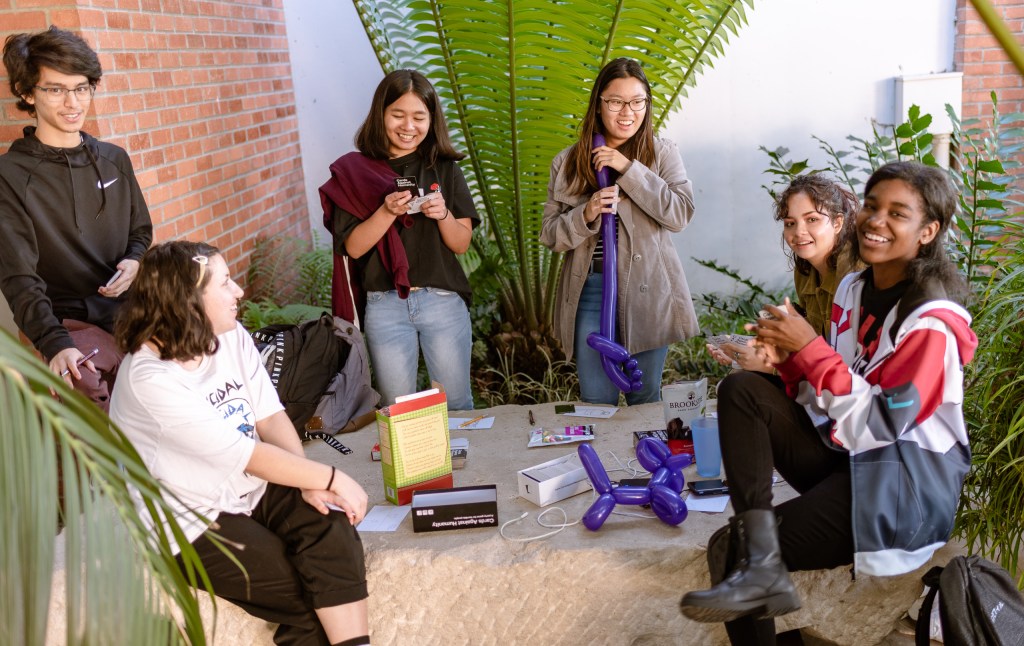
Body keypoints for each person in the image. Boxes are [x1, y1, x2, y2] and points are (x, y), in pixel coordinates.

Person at [679, 162, 977, 645]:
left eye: (897, 213)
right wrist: (786, 363)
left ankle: (756, 564)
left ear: (928, 232)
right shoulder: (854, 289)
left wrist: (808, 350)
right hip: (850, 458)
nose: (876, 220)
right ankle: (761, 559)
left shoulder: (931, 326)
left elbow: (881, 423)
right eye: (873, 205)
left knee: (728, 549)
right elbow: (831, 391)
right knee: (742, 391)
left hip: (900, 489)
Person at [109, 241, 370, 646]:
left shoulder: (227, 336)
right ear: (188, 301)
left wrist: (309, 481)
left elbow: (269, 416)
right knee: (298, 590)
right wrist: (333, 475)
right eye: (226, 283)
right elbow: (247, 453)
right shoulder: (149, 379)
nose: (239, 292)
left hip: (244, 485)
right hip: (184, 519)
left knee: (330, 528)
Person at [0, 26, 152, 411]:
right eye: (55, 89)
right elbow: (19, 278)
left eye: (81, 87)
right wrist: (55, 345)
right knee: (81, 382)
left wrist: (134, 260)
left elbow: (140, 229)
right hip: (68, 321)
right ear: (27, 93)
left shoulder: (113, 158)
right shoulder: (11, 176)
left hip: (132, 310)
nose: (73, 102)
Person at [540, 57, 698, 405]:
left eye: (637, 101)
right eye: (615, 101)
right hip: (592, 292)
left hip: (648, 290)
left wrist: (627, 167)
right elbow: (551, 234)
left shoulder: (663, 152)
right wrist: (588, 211)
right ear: (598, 104)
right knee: (597, 401)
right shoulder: (567, 163)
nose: (627, 111)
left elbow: (680, 213)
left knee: (645, 400)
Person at [321, 69, 478, 411]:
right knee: (398, 409)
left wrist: (443, 215)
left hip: (442, 301)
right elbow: (354, 247)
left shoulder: (445, 168)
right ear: (381, 115)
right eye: (398, 115)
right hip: (384, 305)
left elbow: (461, 243)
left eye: (419, 117)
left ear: (431, 119)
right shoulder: (354, 171)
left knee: (456, 404)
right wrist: (387, 211)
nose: (409, 126)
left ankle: (465, 465)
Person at [708, 174, 858, 374]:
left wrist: (771, 366)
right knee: (737, 380)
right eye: (790, 223)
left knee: (740, 384)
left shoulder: (855, 273)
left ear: (837, 223)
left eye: (812, 219)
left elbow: (844, 363)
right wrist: (755, 347)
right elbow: (810, 339)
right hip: (822, 376)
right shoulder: (804, 271)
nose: (799, 232)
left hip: (852, 387)